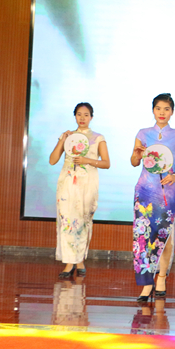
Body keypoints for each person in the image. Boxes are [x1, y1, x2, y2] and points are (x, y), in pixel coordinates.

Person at [131, 93, 175, 302]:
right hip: (144, 192)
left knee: (164, 236)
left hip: (166, 192)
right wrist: (137, 155)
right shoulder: (143, 133)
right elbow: (134, 162)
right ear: (153, 110)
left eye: (166, 109)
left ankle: (162, 277)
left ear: (172, 112)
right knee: (143, 237)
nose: (162, 112)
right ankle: (147, 283)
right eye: (158, 108)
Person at [49, 102, 110, 279]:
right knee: (67, 221)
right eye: (79, 114)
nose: (82, 118)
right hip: (68, 183)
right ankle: (70, 262)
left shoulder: (98, 137)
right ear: (75, 116)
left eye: (86, 115)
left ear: (91, 117)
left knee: (83, 221)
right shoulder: (68, 136)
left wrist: (87, 161)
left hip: (87, 184)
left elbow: (106, 163)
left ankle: (80, 259)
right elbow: (52, 160)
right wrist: (62, 140)